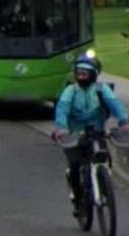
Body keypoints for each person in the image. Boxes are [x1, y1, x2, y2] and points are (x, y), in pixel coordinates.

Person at [53, 57, 129, 214]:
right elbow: (63, 107)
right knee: (75, 165)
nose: (80, 77)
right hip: (73, 134)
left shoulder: (102, 89)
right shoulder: (71, 90)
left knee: (104, 157)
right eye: (78, 74)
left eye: (84, 74)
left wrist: (124, 121)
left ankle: (103, 181)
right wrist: (61, 128)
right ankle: (78, 200)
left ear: (93, 75)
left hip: (97, 131)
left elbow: (114, 103)